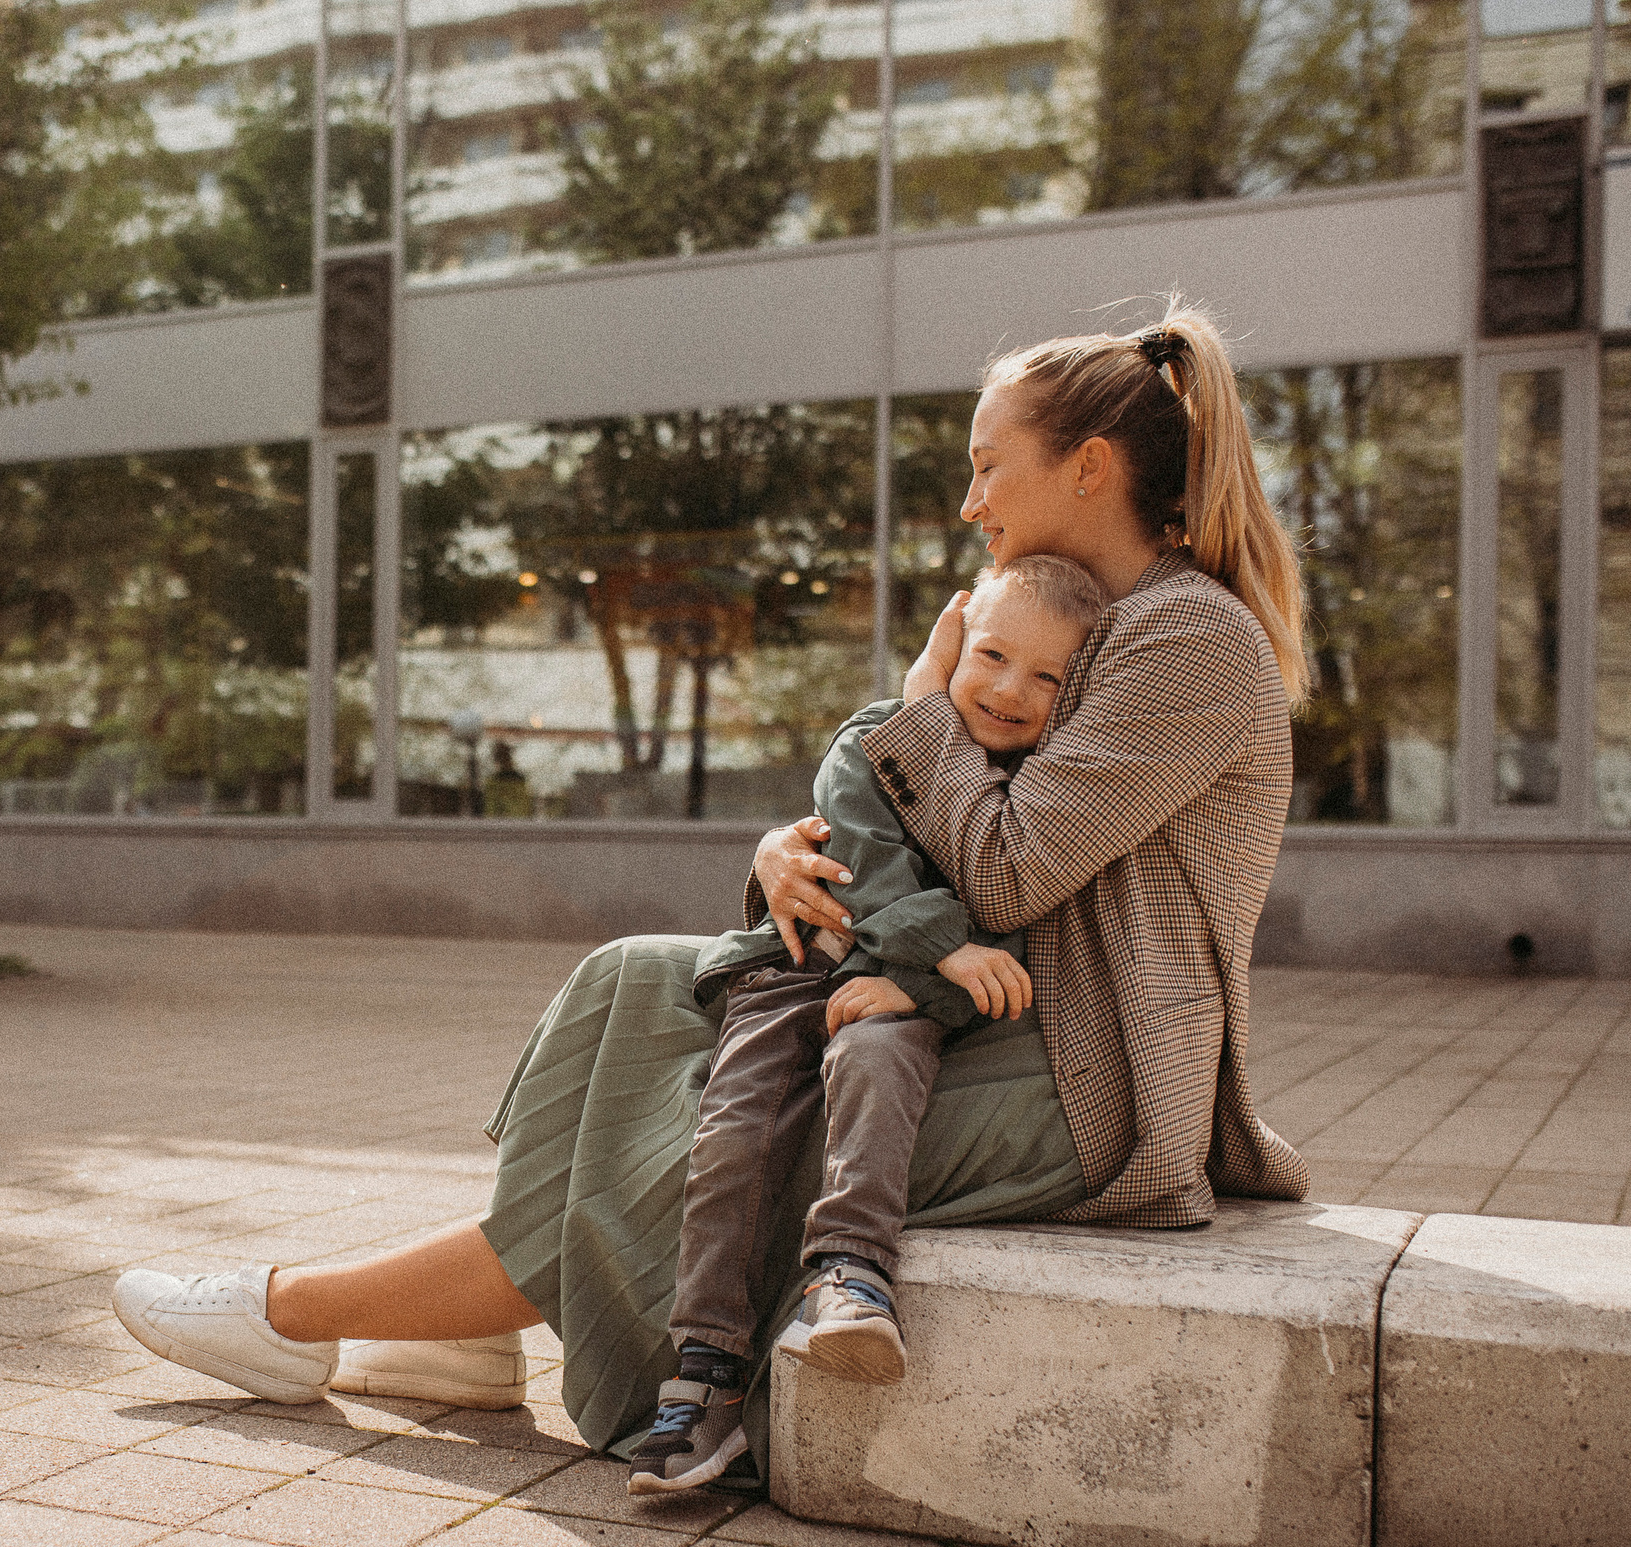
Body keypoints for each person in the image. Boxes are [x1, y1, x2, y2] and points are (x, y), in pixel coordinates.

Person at [112, 298, 1309, 1480]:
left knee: (691, 1148)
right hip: (975, 995)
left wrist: (920, 705)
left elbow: (1005, 863)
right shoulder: (1070, 619)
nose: (969, 501)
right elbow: (935, 821)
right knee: (630, 980)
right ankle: (461, 1335)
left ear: (1088, 468)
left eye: (988, 465)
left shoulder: (1188, 640)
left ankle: (297, 1313)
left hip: (1084, 1081)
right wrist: (791, 857)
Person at [628, 553, 1106, 1494]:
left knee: (879, 1064)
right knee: (735, 1128)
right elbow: (863, 860)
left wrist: (920, 987)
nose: (1012, 690)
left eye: (1048, 676)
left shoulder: (1045, 794)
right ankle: (706, 1370)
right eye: (993, 656)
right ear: (951, 644)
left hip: (899, 995)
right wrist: (941, 951)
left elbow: (1020, 923)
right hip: (798, 970)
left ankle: (851, 1276)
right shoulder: (874, 738)